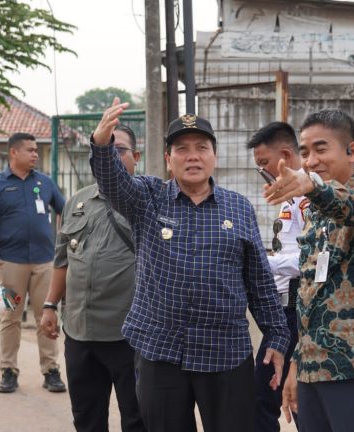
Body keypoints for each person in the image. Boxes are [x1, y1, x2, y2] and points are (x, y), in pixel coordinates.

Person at [90, 100, 290, 432]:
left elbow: (259, 281)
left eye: (201, 148)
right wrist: (102, 143)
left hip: (225, 353)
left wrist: (277, 335)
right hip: (162, 352)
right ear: (169, 160)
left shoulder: (238, 207)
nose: (192, 156)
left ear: (214, 157)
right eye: (181, 149)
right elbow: (113, 183)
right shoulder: (147, 198)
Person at [264, 108, 354, 431]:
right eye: (305, 152)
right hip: (314, 369)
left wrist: (313, 188)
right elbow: (310, 295)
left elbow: (352, 207)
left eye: (321, 149)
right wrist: (299, 362)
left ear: (353, 151)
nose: (311, 161)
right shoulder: (314, 215)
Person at [40, 124, 145, 432]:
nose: (111, 157)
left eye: (119, 150)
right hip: (80, 333)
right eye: (104, 150)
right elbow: (62, 260)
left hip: (128, 335)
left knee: (137, 418)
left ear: (135, 157)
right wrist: (49, 305)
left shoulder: (144, 201)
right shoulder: (76, 202)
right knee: (86, 418)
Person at [0, 132, 67, 394]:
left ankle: (51, 370)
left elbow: (65, 210)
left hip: (44, 263)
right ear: (13, 153)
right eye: (30, 150)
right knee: (11, 317)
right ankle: (8, 370)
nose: (35, 154)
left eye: (36, 150)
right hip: (11, 262)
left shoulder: (45, 182)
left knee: (47, 316)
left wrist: (63, 242)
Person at [246, 121, 307, 431]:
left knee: (282, 398)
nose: (263, 172)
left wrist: (262, 262)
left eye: (263, 164)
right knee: (268, 396)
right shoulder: (292, 197)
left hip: (295, 311)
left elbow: (310, 258)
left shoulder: (310, 195)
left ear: (285, 155)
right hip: (282, 311)